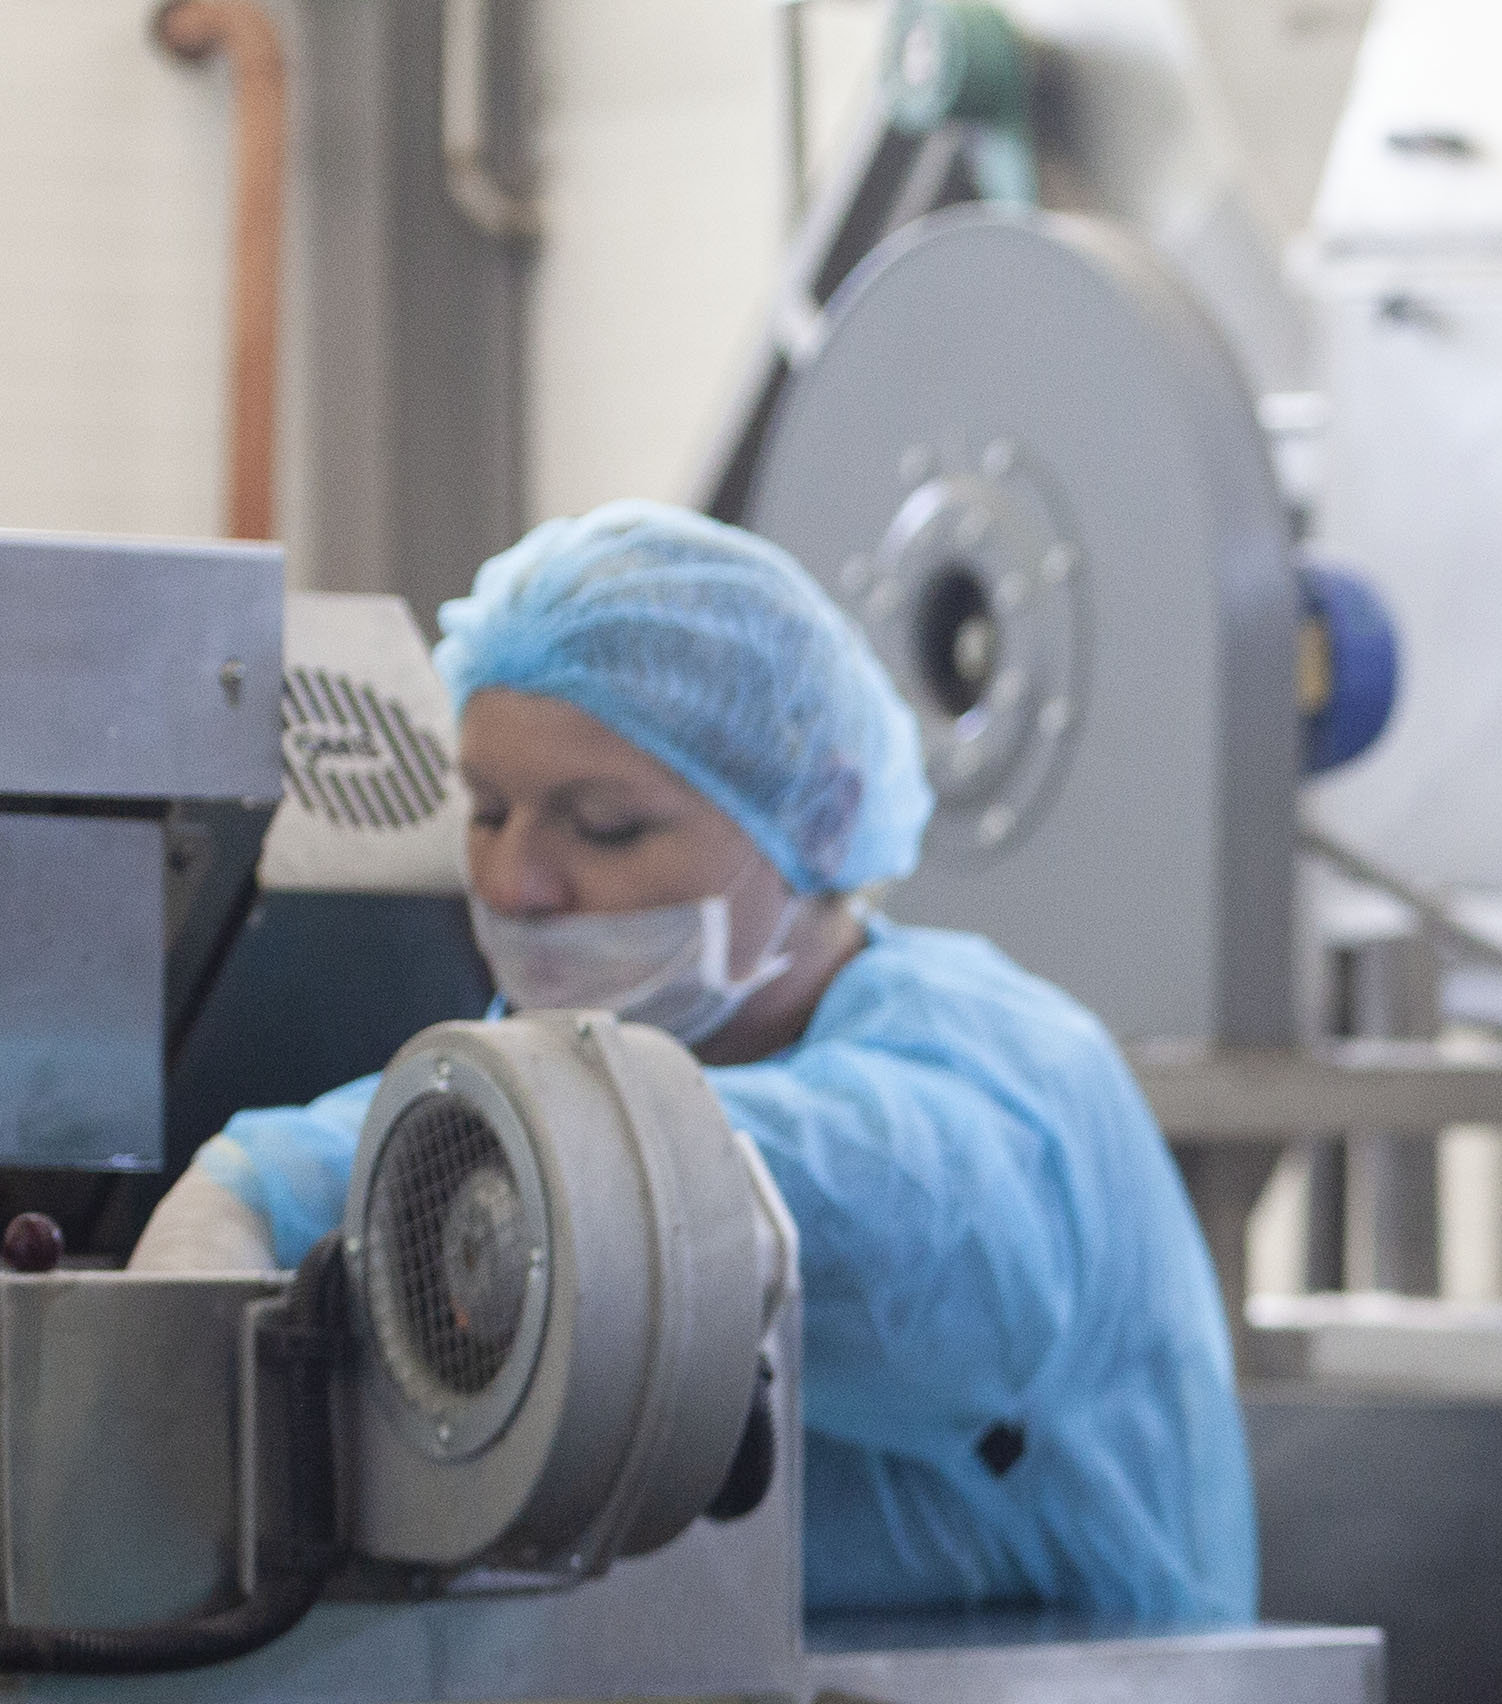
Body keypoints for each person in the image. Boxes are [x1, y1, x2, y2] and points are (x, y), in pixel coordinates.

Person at [136, 504, 1254, 1635]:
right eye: (486, 810)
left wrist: (277, 1177)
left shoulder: (998, 1078)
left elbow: (812, 1193)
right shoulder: (593, 1046)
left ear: (823, 817)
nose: (516, 883)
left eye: (605, 827)